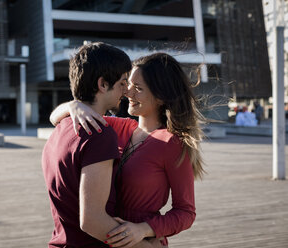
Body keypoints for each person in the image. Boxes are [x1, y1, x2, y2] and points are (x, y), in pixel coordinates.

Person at [51, 53, 205, 247]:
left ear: (160, 96)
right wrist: (74, 105)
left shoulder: (172, 144)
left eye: (138, 88)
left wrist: (144, 229)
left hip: (141, 241)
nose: (128, 93)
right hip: (102, 237)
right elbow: (56, 119)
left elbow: (186, 212)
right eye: (128, 85)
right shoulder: (116, 127)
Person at [42, 42, 161, 248]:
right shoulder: (99, 134)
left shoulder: (61, 127)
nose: (126, 91)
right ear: (103, 84)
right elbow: (92, 221)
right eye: (123, 83)